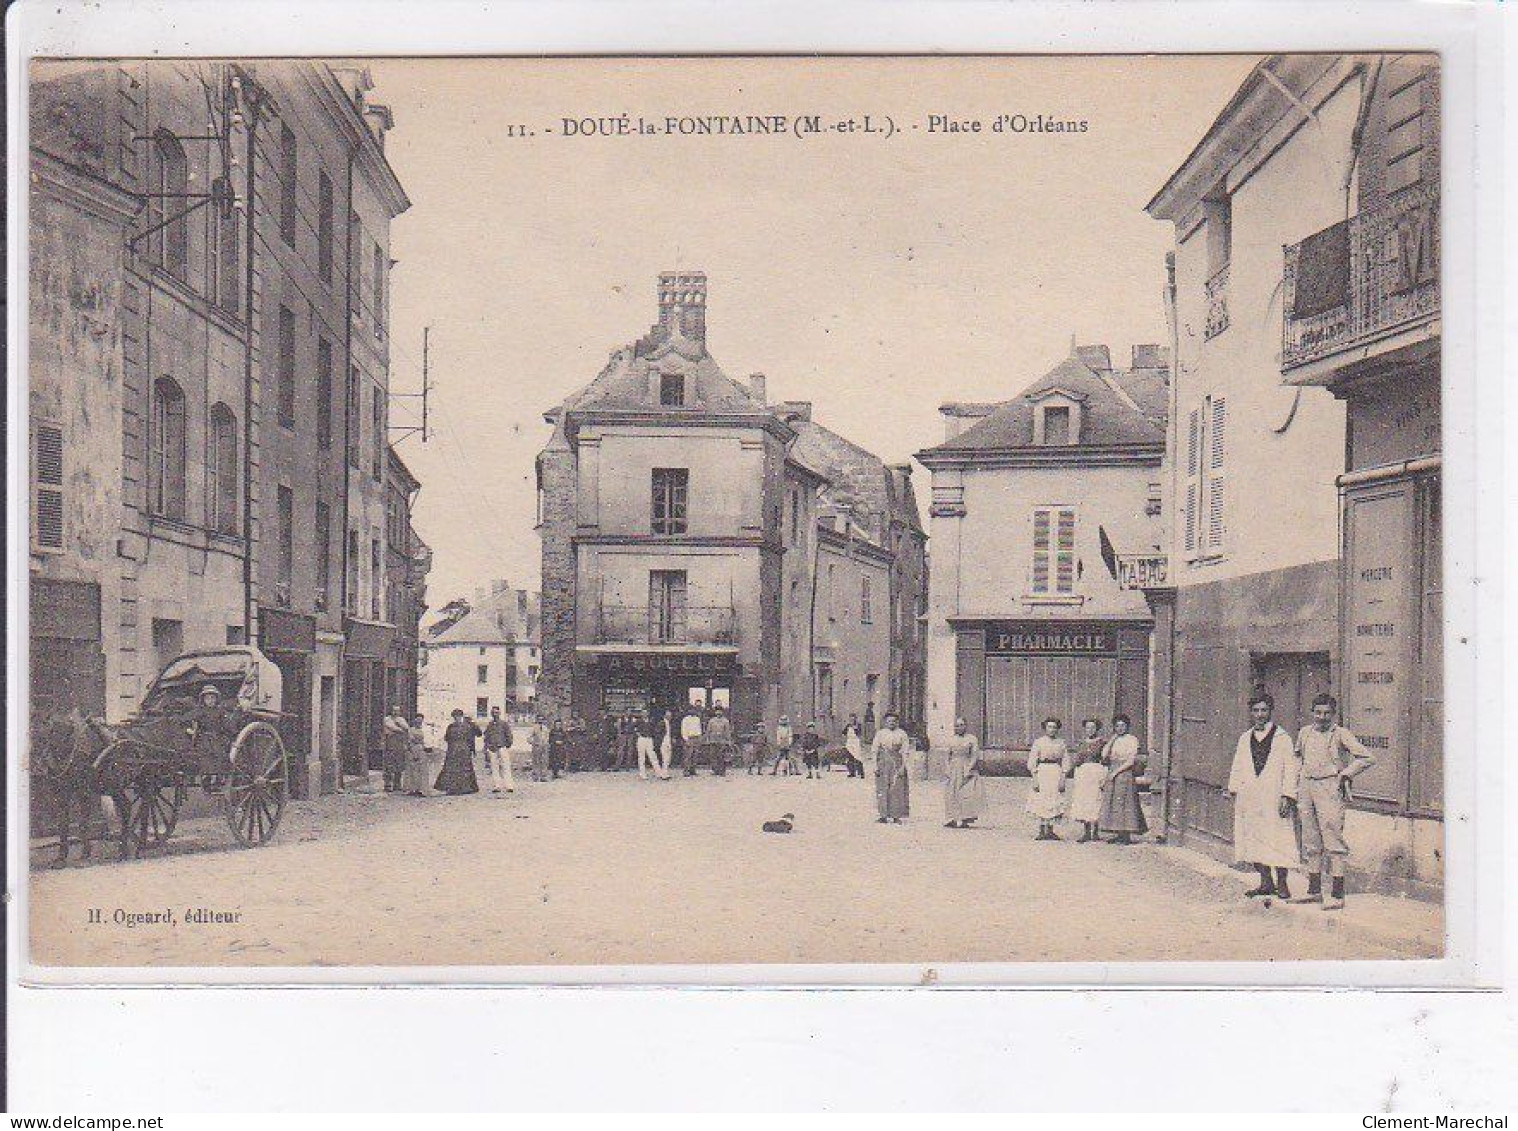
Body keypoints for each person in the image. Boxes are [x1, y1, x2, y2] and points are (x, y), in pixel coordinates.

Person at [1291, 693, 1377, 910]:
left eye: (1327, 713)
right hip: (1306, 787)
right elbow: (1298, 756)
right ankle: (1314, 891)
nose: (1322, 717)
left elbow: (1366, 757)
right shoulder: (1304, 733)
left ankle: (1337, 895)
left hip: (1329, 787)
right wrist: (1297, 782)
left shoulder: (1340, 734)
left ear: (1333, 714)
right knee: (1310, 839)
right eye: (1318, 713)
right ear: (1312, 712)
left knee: (1333, 839)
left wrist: (1345, 774)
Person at [1227, 692, 1301, 899]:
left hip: (1274, 797)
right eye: (1256, 710)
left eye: (1264, 710)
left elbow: (1290, 768)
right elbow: (1238, 765)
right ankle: (1265, 882)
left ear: (1270, 712)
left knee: (1277, 838)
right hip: (1250, 797)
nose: (1260, 715)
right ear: (1251, 713)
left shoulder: (1282, 738)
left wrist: (1287, 796)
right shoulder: (1245, 738)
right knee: (1254, 838)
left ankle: (1283, 883)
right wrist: (1235, 789)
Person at [1097, 714, 1147, 845]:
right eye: (1117, 726)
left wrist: (1116, 772)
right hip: (1113, 771)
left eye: (1123, 726)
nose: (1120, 728)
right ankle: (1118, 833)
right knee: (1114, 803)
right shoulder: (1114, 740)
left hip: (1125, 773)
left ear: (1128, 727)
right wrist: (1112, 739)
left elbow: (1131, 760)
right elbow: (1103, 755)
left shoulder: (1132, 740)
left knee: (1126, 803)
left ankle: (1127, 834)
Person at [1025, 717, 1071, 840]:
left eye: (1054, 727)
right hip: (1042, 772)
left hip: (1055, 771)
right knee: (1041, 799)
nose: (1052, 730)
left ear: (1058, 729)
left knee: (1053, 799)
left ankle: (1050, 830)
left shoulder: (1061, 743)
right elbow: (1032, 761)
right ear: (1045, 728)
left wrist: (1063, 777)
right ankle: (1041, 830)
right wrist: (1034, 777)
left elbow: (1065, 761)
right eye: (1049, 727)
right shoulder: (1039, 742)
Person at [942, 717, 986, 829]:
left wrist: (969, 768)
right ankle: (951, 818)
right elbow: (947, 756)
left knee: (966, 792)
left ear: (966, 726)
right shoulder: (951, 739)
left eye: (961, 725)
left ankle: (965, 818)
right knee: (952, 792)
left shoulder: (972, 739)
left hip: (966, 766)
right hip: (954, 767)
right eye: (957, 725)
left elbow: (975, 755)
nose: (959, 727)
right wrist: (947, 769)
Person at [872, 711, 911, 823]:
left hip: (897, 762)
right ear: (885, 722)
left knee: (897, 788)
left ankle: (896, 815)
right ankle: (883, 815)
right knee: (882, 788)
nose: (891, 723)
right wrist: (875, 765)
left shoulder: (902, 734)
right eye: (889, 721)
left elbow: (905, 751)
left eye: (894, 721)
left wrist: (903, 766)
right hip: (883, 763)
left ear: (897, 722)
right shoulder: (880, 733)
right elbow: (874, 750)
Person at [1068, 740, 1108, 842]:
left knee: (1096, 800)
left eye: (1093, 727)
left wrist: (1103, 774)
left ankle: (1095, 833)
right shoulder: (1081, 743)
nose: (1090, 729)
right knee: (1085, 801)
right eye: (1088, 727)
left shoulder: (1102, 743)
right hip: (1084, 773)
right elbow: (1077, 761)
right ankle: (1086, 832)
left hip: (1096, 772)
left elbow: (1105, 759)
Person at [435, 709, 481, 795]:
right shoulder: (451, 726)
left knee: (464, 768)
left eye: (458, 716)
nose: (456, 718)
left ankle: (466, 788)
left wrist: (473, 723)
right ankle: (451, 788)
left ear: (461, 716)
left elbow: (478, 734)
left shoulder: (468, 725)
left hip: (464, 750)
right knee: (451, 768)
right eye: (455, 717)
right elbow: (447, 738)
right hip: (452, 750)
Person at [481, 706, 515, 796]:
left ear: (499, 713)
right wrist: (487, 747)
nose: (495, 714)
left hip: (502, 747)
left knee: (505, 766)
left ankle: (509, 786)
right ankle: (497, 786)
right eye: (493, 713)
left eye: (496, 713)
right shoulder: (490, 725)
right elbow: (486, 737)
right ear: (491, 714)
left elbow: (509, 735)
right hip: (492, 749)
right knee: (494, 767)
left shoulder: (504, 724)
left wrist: (506, 745)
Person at [380, 706, 410, 793]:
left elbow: (406, 728)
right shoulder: (387, 719)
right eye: (394, 711)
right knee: (389, 764)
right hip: (390, 743)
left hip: (399, 744)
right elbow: (392, 728)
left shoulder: (401, 719)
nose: (396, 712)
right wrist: (399, 729)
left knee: (399, 763)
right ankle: (388, 784)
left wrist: (400, 726)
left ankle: (397, 784)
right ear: (391, 711)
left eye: (397, 711)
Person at [404, 714, 435, 796]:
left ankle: (421, 789)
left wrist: (426, 747)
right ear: (414, 721)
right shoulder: (411, 730)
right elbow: (410, 740)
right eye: (417, 721)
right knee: (412, 769)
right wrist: (412, 750)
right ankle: (412, 789)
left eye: (420, 721)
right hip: (413, 749)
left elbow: (427, 740)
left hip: (422, 750)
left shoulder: (424, 730)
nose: (418, 723)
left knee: (422, 770)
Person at [704, 705, 733, 776]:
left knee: (721, 756)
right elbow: (708, 731)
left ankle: (722, 771)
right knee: (713, 756)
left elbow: (727, 732)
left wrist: (728, 741)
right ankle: (715, 770)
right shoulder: (711, 721)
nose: (718, 712)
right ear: (715, 712)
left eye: (720, 711)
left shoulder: (725, 721)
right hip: (713, 740)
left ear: (722, 712)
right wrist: (707, 739)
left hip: (722, 741)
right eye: (717, 711)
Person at [680, 706, 704, 776]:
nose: (693, 711)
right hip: (689, 738)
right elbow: (683, 730)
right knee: (688, 755)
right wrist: (686, 739)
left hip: (696, 738)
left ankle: (693, 770)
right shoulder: (685, 719)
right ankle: (686, 771)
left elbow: (699, 728)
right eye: (691, 710)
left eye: (694, 710)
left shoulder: (697, 719)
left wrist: (700, 737)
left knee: (695, 755)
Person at [636, 713, 660, 780]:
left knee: (652, 756)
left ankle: (658, 772)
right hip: (641, 739)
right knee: (641, 757)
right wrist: (638, 734)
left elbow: (654, 730)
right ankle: (642, 774)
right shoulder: (638, 721)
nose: (645, 714)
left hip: (649, 739)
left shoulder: (651, 721)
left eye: (646, 713)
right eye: (643, 713)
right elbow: (634, 729)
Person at [843, 714, 865, 778]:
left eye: (853, 719)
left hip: (856, 742)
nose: (851, 721)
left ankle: (861, 773)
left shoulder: (858, 725)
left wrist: (856, 729)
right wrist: (845, 739)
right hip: (849, 742)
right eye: (850, 719)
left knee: (858, 757)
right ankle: (852, 772)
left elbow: (859, 734)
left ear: (855, 719)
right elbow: (843, 733)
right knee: (850, 758)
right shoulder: (848, 726)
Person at [530, 718, 551, 782]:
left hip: (544, 746)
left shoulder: (545, 728)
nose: (540, 721)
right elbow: (529, 737)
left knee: (544, 761)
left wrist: (547, 743)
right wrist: (533, 743)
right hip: (536, 746)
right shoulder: (534, 728)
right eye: (539, 719)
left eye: (542, 720)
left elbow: (547, 737)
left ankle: (543, 776)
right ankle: (535, 776)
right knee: (536, 761)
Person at [658, 710, 677, 778]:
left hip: (669, 741)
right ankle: (664, 774)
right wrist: (661, 741)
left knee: (668, 758)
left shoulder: (670, 723)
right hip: (664, 741)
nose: (669, 717)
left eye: (670, 715)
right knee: (665, 758)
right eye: (668, 715)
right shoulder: (661, 723)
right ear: (665, 715)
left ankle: (665, 772)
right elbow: (658, 733)